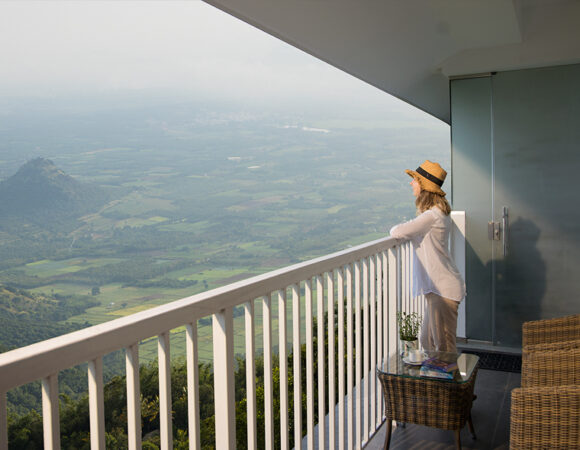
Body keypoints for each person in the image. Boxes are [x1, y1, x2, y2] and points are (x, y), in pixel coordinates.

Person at [389, 160, 466, 353]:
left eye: (414, 180)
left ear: (423, 185)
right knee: (427, 342)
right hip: (438, 289)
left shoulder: (432, 216)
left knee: (444, 350)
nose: (411, 183)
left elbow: (397, 232)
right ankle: (438, 381)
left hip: (443, 291)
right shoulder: (438, 213)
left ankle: (453, 383)